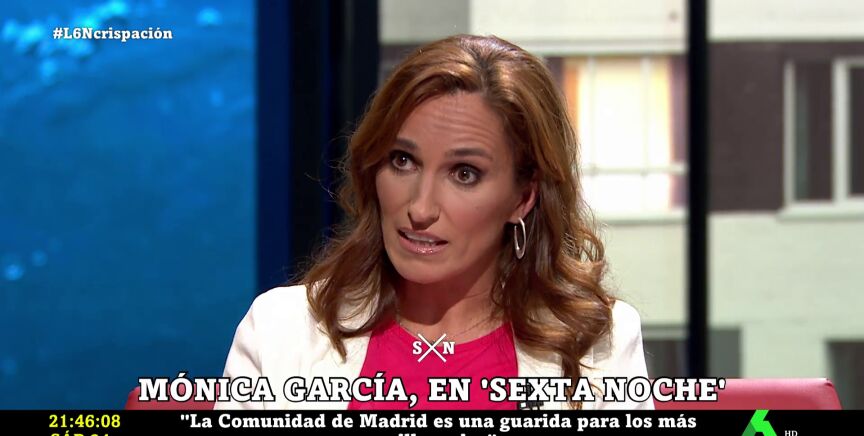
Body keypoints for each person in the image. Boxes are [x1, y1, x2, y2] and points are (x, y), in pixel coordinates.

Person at [215, 34, 652, 411]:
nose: (420, 209)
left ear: (522, 198)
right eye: (402, 160)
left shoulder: (597, 344)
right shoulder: (280, 330)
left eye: (464, 173)